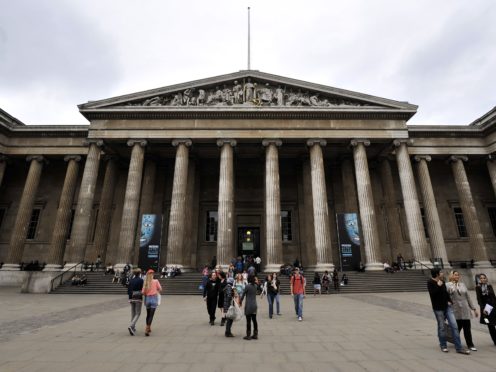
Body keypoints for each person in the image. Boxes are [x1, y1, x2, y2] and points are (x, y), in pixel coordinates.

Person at [427, 268, 470, 354]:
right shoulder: (430, 282)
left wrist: (450, 301)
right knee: (442, 327)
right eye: (440, 272)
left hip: (447, 307)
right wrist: (438, 286)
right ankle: (443, 345)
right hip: (438, 308)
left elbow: (445, 293)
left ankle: (459, 347)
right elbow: (433, 294)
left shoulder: (442, 281)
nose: (442, 273)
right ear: (436, 274)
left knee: (454, 326)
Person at [446, 270, 478, 351]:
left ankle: (470, 344)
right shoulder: (447, 285)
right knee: (456, 328)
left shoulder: (462, 285)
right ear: (451, 276)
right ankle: (449, 340)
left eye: (458, 275)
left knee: (467, 328)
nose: (457, 276)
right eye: (455, 275)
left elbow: (468, 297)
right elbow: (446, 296)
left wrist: (473, 308)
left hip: (465, 308)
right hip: (455, 309)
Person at [475, 273, 496, 345]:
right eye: (481, 278)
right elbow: (479, 299)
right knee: (490, 325)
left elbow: (493, 296)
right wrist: (483, 308)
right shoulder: (478, 287)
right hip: (485, 309)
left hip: (492, 307)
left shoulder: (489, 286)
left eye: (484, 278)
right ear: (479, 280)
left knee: (494, 323)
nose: (483, 279)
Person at [142, 269, 162, 336]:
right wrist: (156, 291)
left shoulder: (145, 282)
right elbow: (160, 289)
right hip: (154, 298)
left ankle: (148, 327)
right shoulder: (156, 281)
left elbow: (143, 292)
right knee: (151, 315)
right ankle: (147, 329)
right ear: (153, 274)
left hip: (147, 299)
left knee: (148, 315)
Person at [240, 275, 258, 340]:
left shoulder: (247, 286)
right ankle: (255, 334)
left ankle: (248, 335)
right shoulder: (255, 286)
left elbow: (243, 294)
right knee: (254, 320)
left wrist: (240, 302)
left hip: (248, 305)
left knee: (248, 321)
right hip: (254, 305)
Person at [127, 268, 144, 336]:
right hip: (138, 298)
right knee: (138, 313)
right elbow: (142, 289)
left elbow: (128, 290)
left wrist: (130, 298)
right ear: (139, 273)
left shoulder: (131, 280)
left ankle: (133, 328)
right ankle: (131, 326)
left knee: (133, 313)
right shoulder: (141, 280)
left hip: (131, 297)